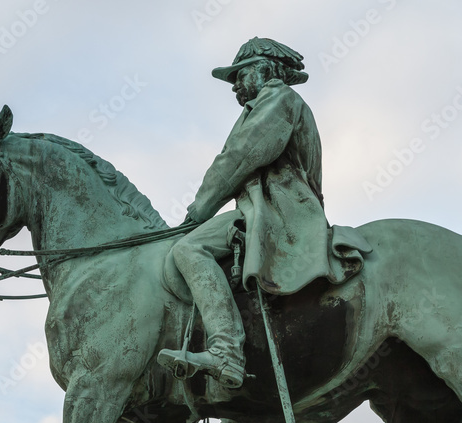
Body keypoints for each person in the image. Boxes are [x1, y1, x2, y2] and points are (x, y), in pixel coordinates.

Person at [158, 37, 369, 396]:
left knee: (188, 251)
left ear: (266, 69)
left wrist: (201, 208)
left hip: (282, 211)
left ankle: (226, 352)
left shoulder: (279, 100)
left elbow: (240, 157)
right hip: (265, 208)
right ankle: (234, 421)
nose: (236, 85)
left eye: (240, 75)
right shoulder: (264, 105)